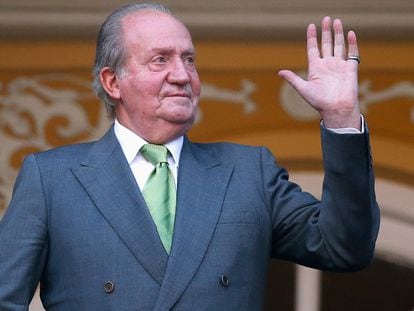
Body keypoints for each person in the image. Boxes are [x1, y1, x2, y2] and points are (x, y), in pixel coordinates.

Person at [0, 2, 380, 310]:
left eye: (189, 59)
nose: (182, 75)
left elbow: (343, 247)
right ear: (112, 82)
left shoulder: (247, 172)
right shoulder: (51, 179)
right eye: (160, 60)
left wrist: (341, 117)